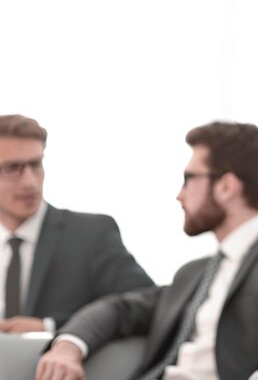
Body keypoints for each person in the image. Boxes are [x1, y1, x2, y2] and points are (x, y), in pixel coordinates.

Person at [36, 120, 258, 380]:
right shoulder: (195, 274)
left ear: (226, 186)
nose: (179, 195)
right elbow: (120, 309)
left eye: (189, 179)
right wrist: (68, 345)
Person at [0, 114, 154, 334]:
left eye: (36, 164)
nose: (30, 181)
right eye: (12, 168)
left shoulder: (92, 235)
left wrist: (49, 326)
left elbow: (147, 304)